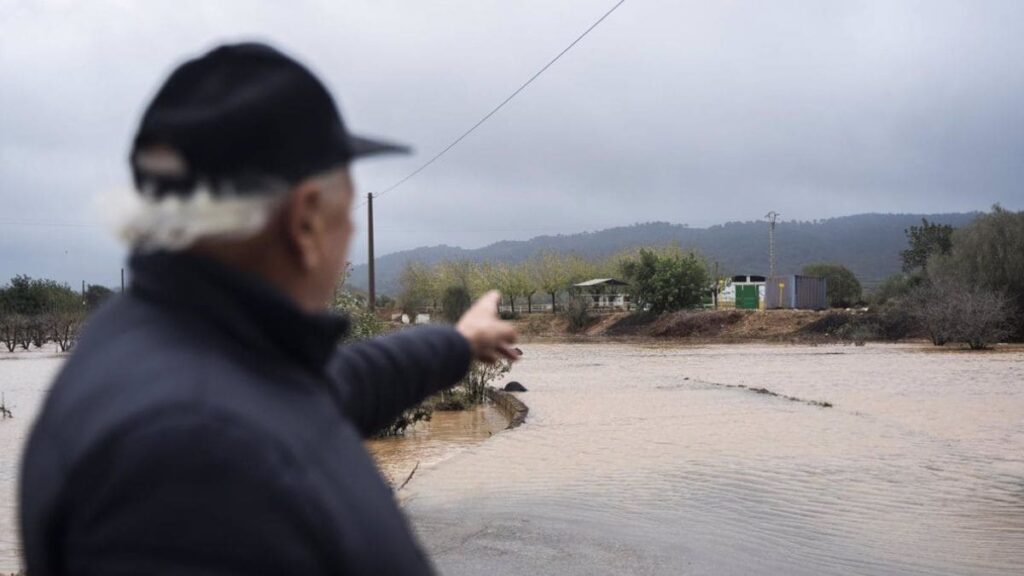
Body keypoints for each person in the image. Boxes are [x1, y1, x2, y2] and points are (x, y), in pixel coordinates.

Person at [19, 42, 518, 575]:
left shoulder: (182, 346)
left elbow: (347, 381)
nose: (348, 235)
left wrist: (461, 342)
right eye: (347, 214)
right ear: (304, 222)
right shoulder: (194, 458)